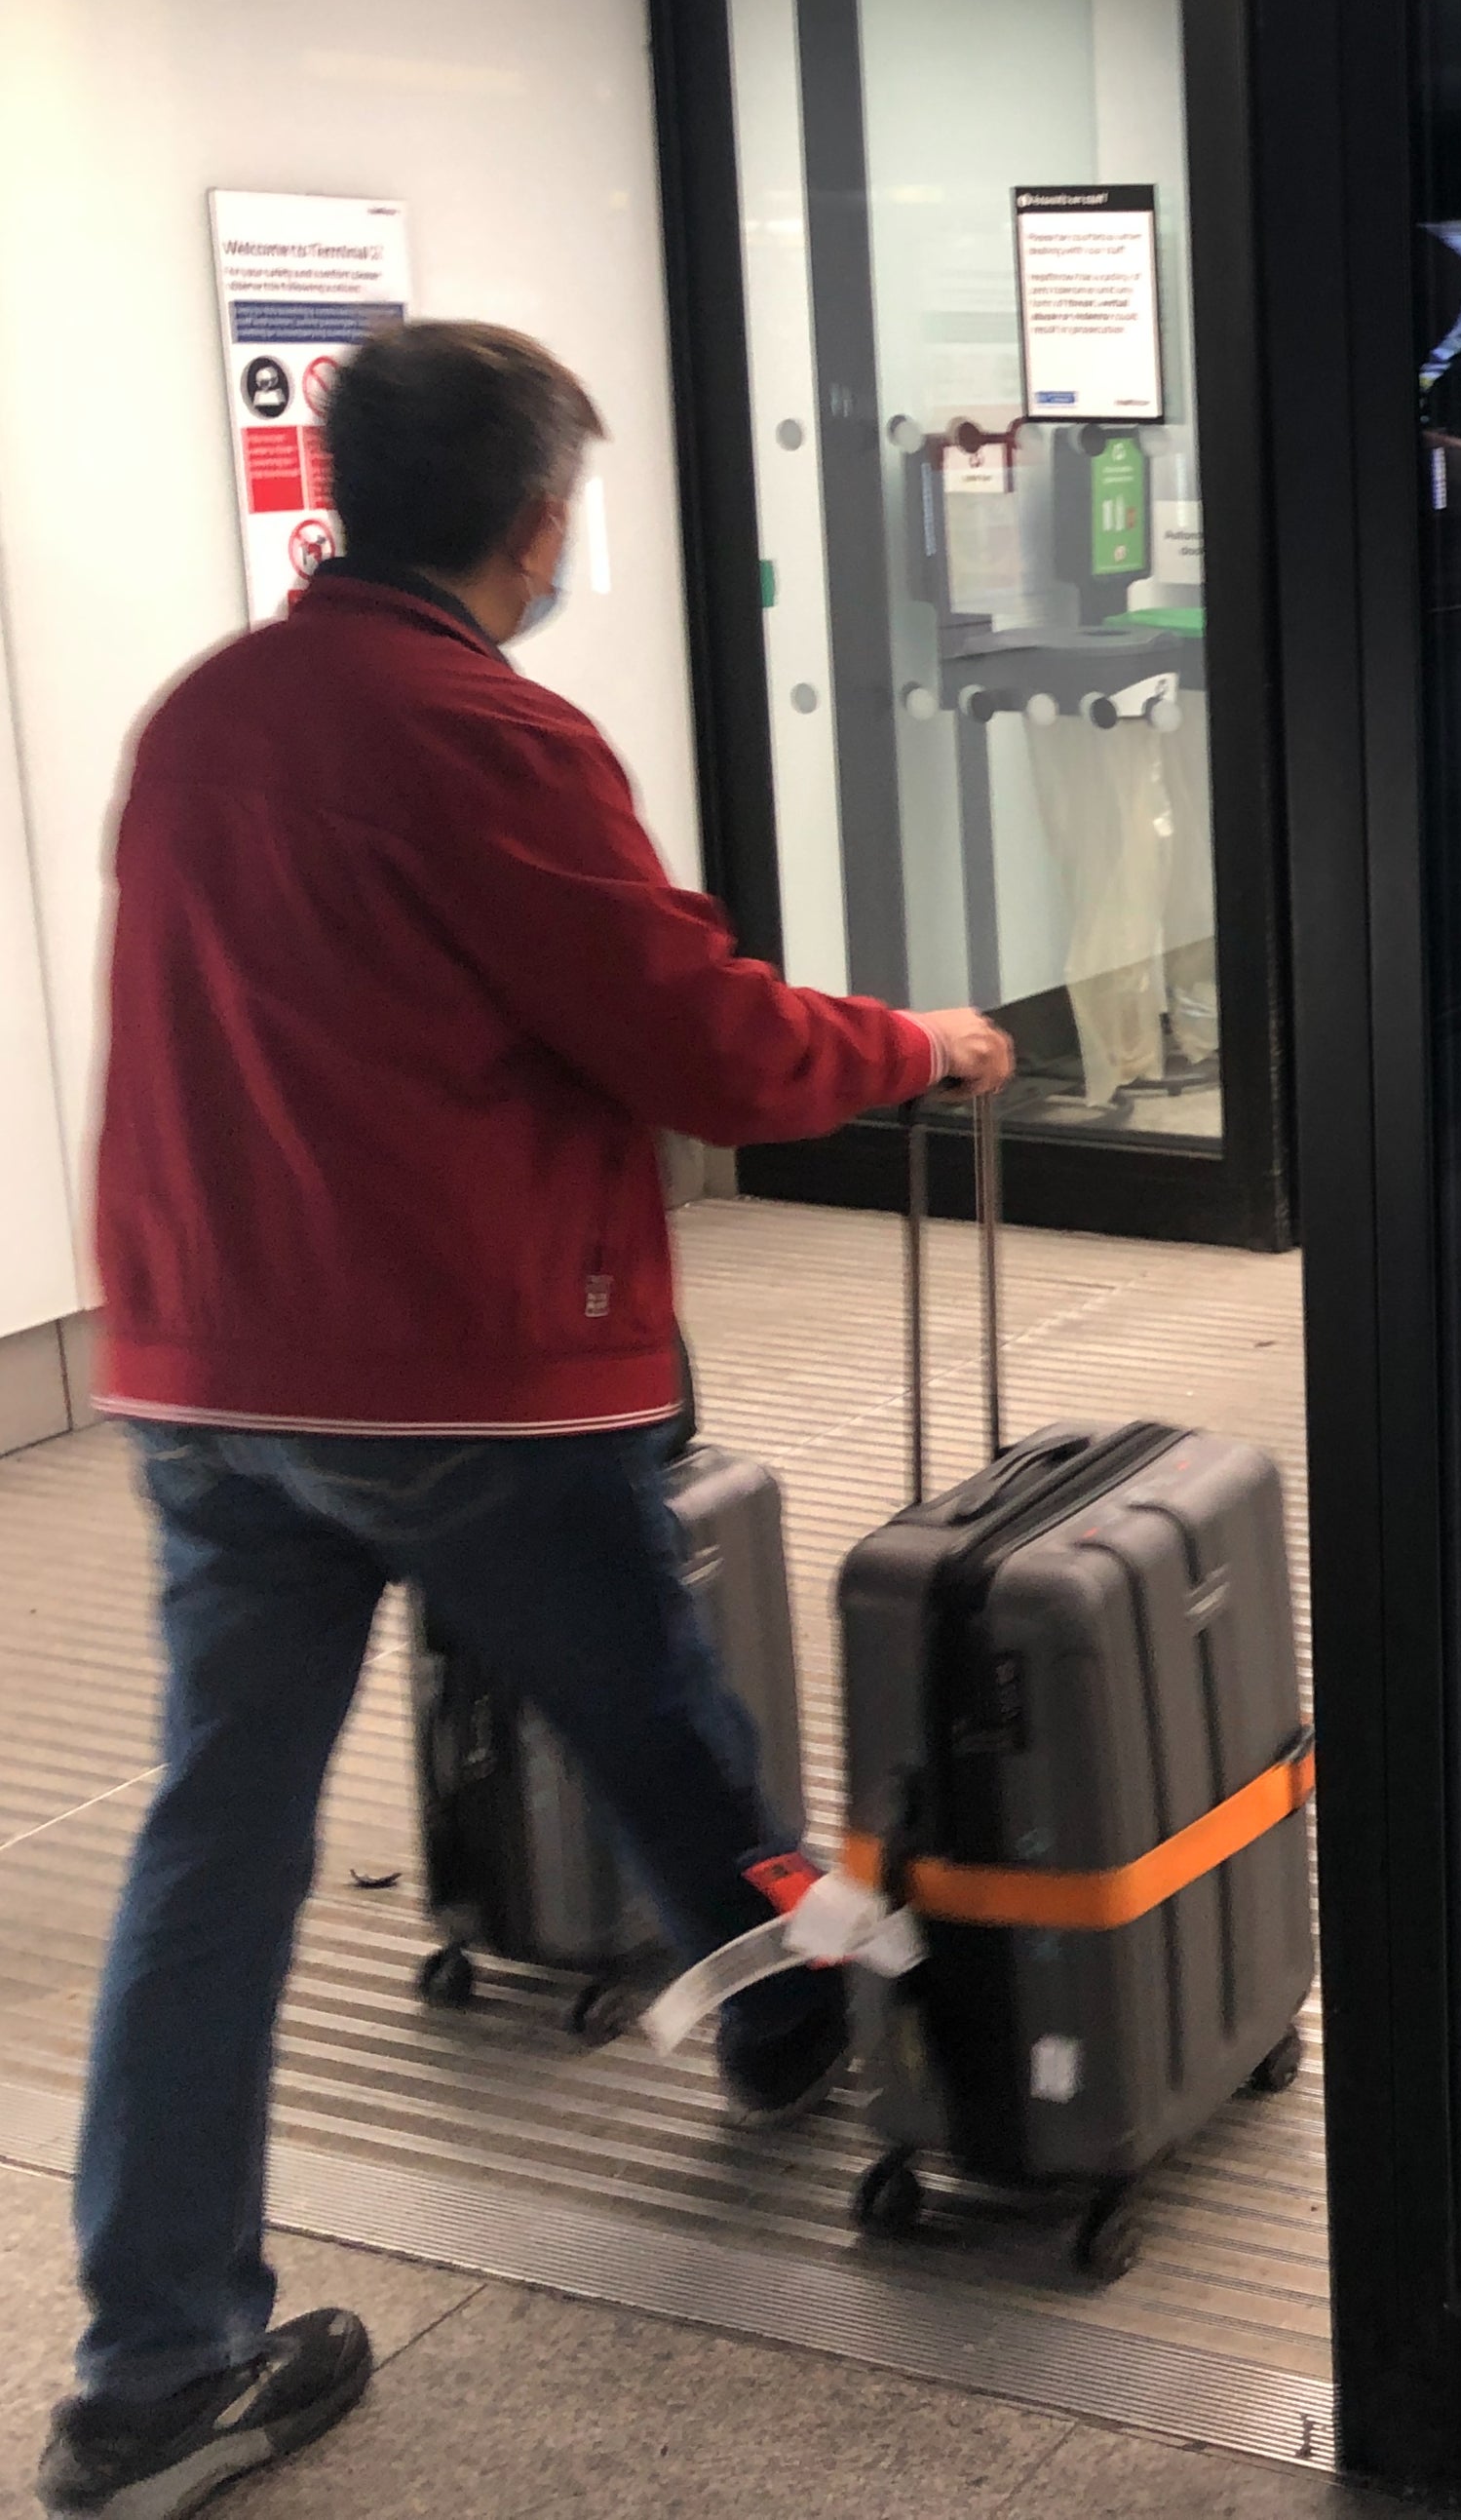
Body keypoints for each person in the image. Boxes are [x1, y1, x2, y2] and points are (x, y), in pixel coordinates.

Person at [38, 320, 1013, 2519]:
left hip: (205, 1372)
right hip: (459, 1363)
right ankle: (785, 2014)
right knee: (654, 1713)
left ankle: (151, 2363)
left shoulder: (205, 717)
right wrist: (919, 1041)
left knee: (216, 1841)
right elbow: (701, 1041)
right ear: (539, 519)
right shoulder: (491, 736)